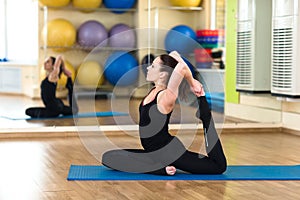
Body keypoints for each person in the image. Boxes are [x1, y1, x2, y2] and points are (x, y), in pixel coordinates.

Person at [102, 51, 227, 175]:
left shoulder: (167, 96)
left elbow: (182, 67)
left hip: (170, 153)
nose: (148, 68)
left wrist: (192, 81)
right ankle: (158, 166)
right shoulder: (153, 90)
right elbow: (174, 54)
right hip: (153, 153)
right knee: (108, 157)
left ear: (162, 74)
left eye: (153, 66)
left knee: (218, 167)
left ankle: (205, 116)